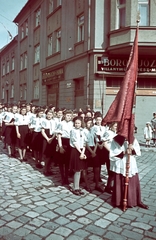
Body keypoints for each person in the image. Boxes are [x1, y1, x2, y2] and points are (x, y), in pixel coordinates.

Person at [109, 135, 148, 210]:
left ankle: (134, 201)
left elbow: (137, 150)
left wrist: (132, 148)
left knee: (132, 181)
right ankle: (119, 201)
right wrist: (124, 152)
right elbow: (113, 152)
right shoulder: (116, 139)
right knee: (120, 181)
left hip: (131, 162)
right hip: (121, 162)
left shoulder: (132, 139)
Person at [69, 116, 87, 195]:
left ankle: (77, 186)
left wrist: (83, 152)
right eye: (76, 123)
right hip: (76, 151)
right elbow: (75, 142)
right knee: (76, 169)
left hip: (81, 151)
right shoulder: (73, 131)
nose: (77, 124)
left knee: (80, 170)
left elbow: (84, 143)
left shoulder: (83, 131)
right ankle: (75, 187)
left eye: (78, 123)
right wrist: (80, 152)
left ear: (81, 123)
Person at [56, 109, 73, 185]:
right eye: (67, 115)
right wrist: (60, 147)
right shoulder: (61, 124)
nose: (69, 117)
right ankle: (62, 177)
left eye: (70, 116)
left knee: (67, 162)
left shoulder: (72, 123)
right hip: (63, 141)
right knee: (61, 161)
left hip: (70, 142)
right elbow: (59, 136)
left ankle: (66, 177)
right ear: (64, 116)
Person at [103, 122, 118, 194]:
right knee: (110, 171)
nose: (116, 127)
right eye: (115, 126)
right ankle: (108, 187)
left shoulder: (116, 133)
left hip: (115, 154)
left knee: (114, 171)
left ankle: (111, 186)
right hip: (108, 153)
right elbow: (104, 144)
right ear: (111, 126)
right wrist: (111, 152)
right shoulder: (108, 132)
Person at [41, 109, 57, 176]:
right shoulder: (44, 121)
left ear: (52, 115)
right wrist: (47, 139)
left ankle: (49, 169)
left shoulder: (54, 121)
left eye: (50, 114)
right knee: (47, 155)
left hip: (52, 137)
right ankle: (45, 169)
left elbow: (56, 131)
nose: (49, 116)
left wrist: (52, 138)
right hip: (46, 138)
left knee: (52, 155)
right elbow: (42, 131)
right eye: (48, 114)